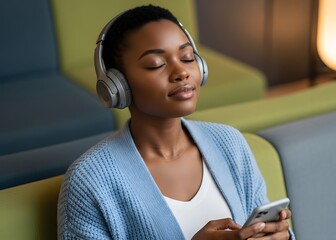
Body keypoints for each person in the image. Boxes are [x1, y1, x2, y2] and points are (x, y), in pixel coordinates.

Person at [57, 4, 294, 240]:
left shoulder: (229, 143)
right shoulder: (90, 179)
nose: (181, 72)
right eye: (156, 64)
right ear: (118, 86)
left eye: (187, 57)